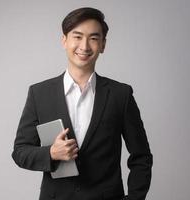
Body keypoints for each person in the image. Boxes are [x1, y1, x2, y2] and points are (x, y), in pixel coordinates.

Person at [12, 7, 152, 200]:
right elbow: (20, 152)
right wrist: (51, 153)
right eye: (77, 36)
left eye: (94, 38)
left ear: (103, 45)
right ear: (64, 40)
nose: (84, 46)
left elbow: (142, 156)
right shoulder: (39, 93)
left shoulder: (121, 95)